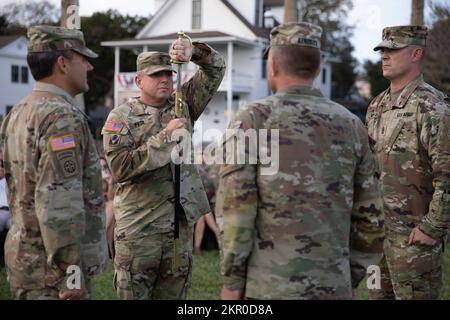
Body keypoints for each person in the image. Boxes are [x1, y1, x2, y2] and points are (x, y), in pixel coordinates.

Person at [216, 22, 385, 300]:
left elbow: (237, 209)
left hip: (267, 289)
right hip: (334, 285)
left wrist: (233, 283)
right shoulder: (352, 125)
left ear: (272, 66)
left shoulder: (253, 120)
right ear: (317, 69)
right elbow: (371, 217)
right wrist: (350, 276)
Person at [102, 37, 225, 299]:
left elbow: (216, 69)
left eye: (168, 75)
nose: (165, 80)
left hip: (177, 232)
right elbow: (120, 168)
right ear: (139, 81)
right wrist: (165, 138)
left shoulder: (183, 105)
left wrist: (194, 52)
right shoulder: (121, 117)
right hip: (138, 232)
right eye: (156, 75)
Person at [0, 25, 108, 300]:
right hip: (52, 273)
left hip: (26, 258)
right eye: (83, 59)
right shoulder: (62, 117)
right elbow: (60, 202)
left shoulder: (18, 111)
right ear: (63, 63)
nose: (89, 68)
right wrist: (70, 273)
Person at [366, 25, 450, 300]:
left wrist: (432, 227)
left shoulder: (432, 106)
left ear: (416, 54)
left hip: (414, 242)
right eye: (382, 51)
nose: (384, 56)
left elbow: (447, 174)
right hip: (378, 239)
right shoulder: (377, 106)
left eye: (392, 50)